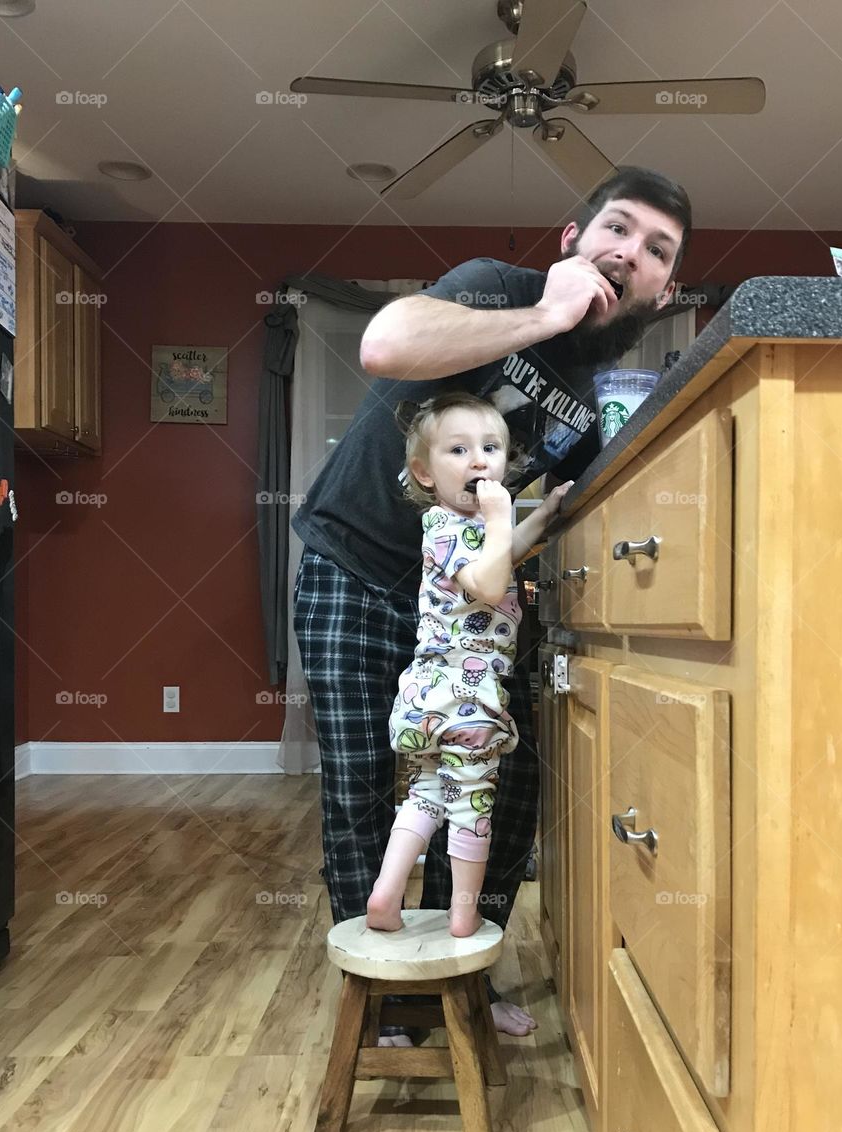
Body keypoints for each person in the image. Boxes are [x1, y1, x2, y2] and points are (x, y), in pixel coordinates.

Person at [294, 165, 691, 1043]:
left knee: (501, 785)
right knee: (363, 781)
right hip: (354, 565)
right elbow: (386, 344)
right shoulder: (492, 288)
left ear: (664, 291)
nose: (631, 254)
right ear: (572, 240)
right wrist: (546, 314)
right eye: (617, 230)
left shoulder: (583, 411)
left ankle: (464, 970)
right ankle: (390, 994)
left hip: (466, 616)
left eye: (657, 250)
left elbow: (547, 517)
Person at [366, 392, 573, 938]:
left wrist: (541, 518)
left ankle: (386, 896)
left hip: (429, 696)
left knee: (428, 793)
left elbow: (501, 555)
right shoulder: (447, 527)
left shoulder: (466, 526)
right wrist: (504, 515)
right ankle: (463, 914)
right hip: (466, 697)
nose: (479, 461)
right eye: (458, 450)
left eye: (491, 447)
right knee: (473, 804)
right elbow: (489, 582)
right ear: (425, 473)